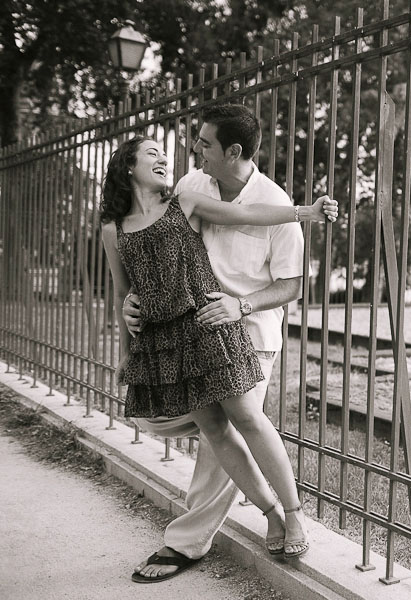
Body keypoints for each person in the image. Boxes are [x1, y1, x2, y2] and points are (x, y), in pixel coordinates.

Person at [105, 105, 331, 583]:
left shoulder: (273, 203)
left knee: (241, 418)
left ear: (233, 150)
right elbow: (146, 259)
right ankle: (265, 513)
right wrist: (130, 303)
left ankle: (258, 523)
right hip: (184, 328)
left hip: (249, 326)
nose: (193, 150)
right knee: (212, 428)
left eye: (204, 143)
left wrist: (241, 304)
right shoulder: (189, 187)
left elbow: (291, 286)